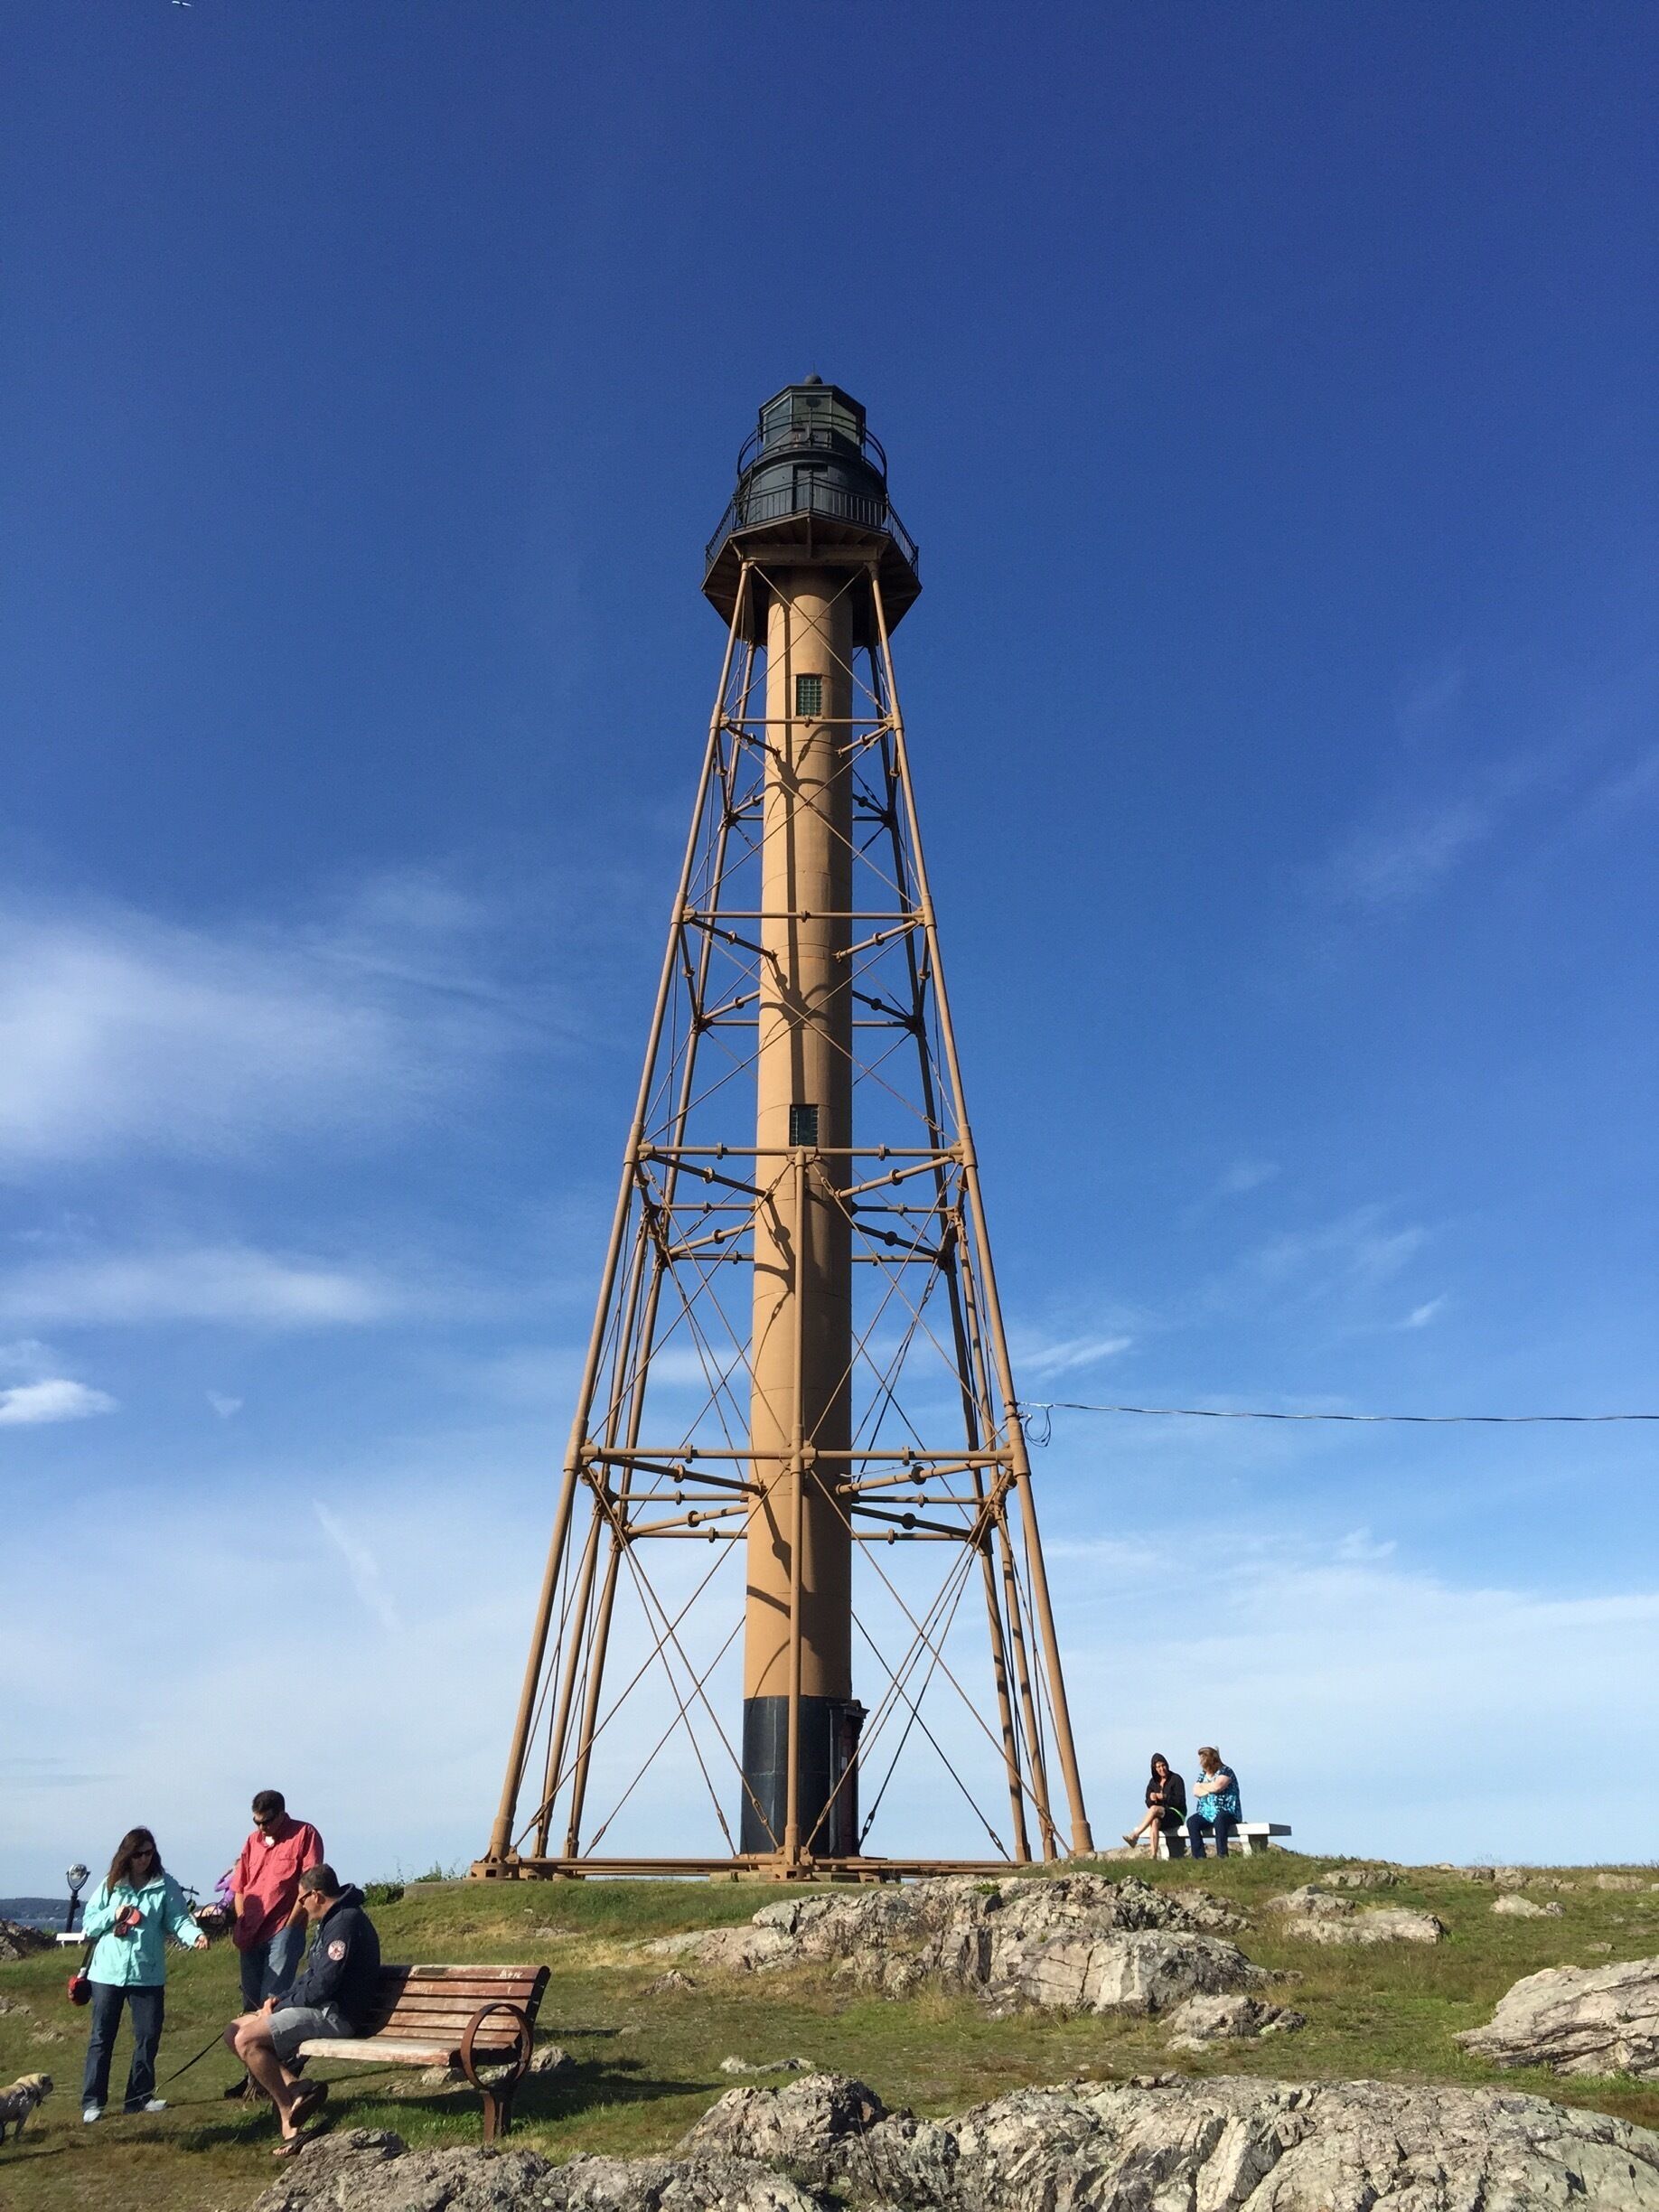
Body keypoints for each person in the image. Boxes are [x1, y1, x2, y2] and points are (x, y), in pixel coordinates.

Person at [224, 1864, 380, 2156]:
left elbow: (324, 1985)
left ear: (317, 1895)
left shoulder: (345, 1923)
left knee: (247, 2039)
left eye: (302, 1898)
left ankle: (288, 2119)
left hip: (336, 2015)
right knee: (232, 2031)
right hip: (321, 2007)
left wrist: (283, 2006)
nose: (300, 1904)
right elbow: (311, 1977)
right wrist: (277, 2001)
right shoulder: (333, 1920)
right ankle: (296, 2088)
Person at [80, 1827, 207, 2124]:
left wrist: (195, 1936)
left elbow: (178, 1919)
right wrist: (114, 1914)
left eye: (149, 1853)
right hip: (107, 1973)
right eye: (137, 1854)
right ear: (126, 1855)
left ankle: (138, 2098)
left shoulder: (164, 1885)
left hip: (147, 1974)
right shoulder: (111, 1885)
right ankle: (92, 2102)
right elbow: (90, 1923)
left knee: (148, 2036)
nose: (143, 1859)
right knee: (102, 2037)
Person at [224, 1790, 323, 2100]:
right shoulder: (252, 1841)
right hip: (250, 1931)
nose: (261, 1828)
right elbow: (239, 1885)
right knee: (250, 2006)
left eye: (266, 1821)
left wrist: (293, 1922)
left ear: (281, 1814)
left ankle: (276, 2080)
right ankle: (256, 2075)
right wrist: (241, 1920)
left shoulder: (304, 1834)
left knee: (272, 2004)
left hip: (282, 1929)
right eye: (256, 1822)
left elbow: (309, 1882)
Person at [1121, 1753, 1187, 1855]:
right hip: (1161, 1816)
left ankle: (1135, 1835)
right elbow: (1148, 1802)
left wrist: (1164, 1797)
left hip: (1176, 1814)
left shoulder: (1176, 1779)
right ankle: (1154, 1855)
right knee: (1154, 1821)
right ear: (1154, 1769)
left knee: (1154, 1809)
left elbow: (1180, 1801)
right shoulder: (1153, 1782)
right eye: (1158, 1767)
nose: (1162, 1769)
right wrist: (1152, 1799)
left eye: (1163, 1765)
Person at [1186, 1745, 1242, 1857]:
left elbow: (1217, 1787)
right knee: (1192, 1822)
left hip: (1227, 1811)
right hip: (1206, 1812)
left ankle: (1222, 1854)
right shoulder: (1203, 1774)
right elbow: (1196, 1791)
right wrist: (1209, 1787)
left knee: (1220, 1819)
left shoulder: (1226, 1771)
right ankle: (1199, 1856)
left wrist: (1204, 1786)